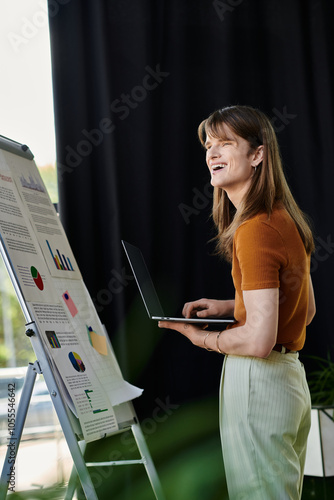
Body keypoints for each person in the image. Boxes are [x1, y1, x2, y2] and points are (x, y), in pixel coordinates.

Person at [158, 105, 316, 500]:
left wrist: (201, 338)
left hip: (258, 382)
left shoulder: (254, 230)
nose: (212, 153)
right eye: (209, 145)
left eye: (225, 143)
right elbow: (305, 309)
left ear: (258, 154)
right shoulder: (284, 219)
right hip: (289, 383)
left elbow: (258, 342)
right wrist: (231, 305)